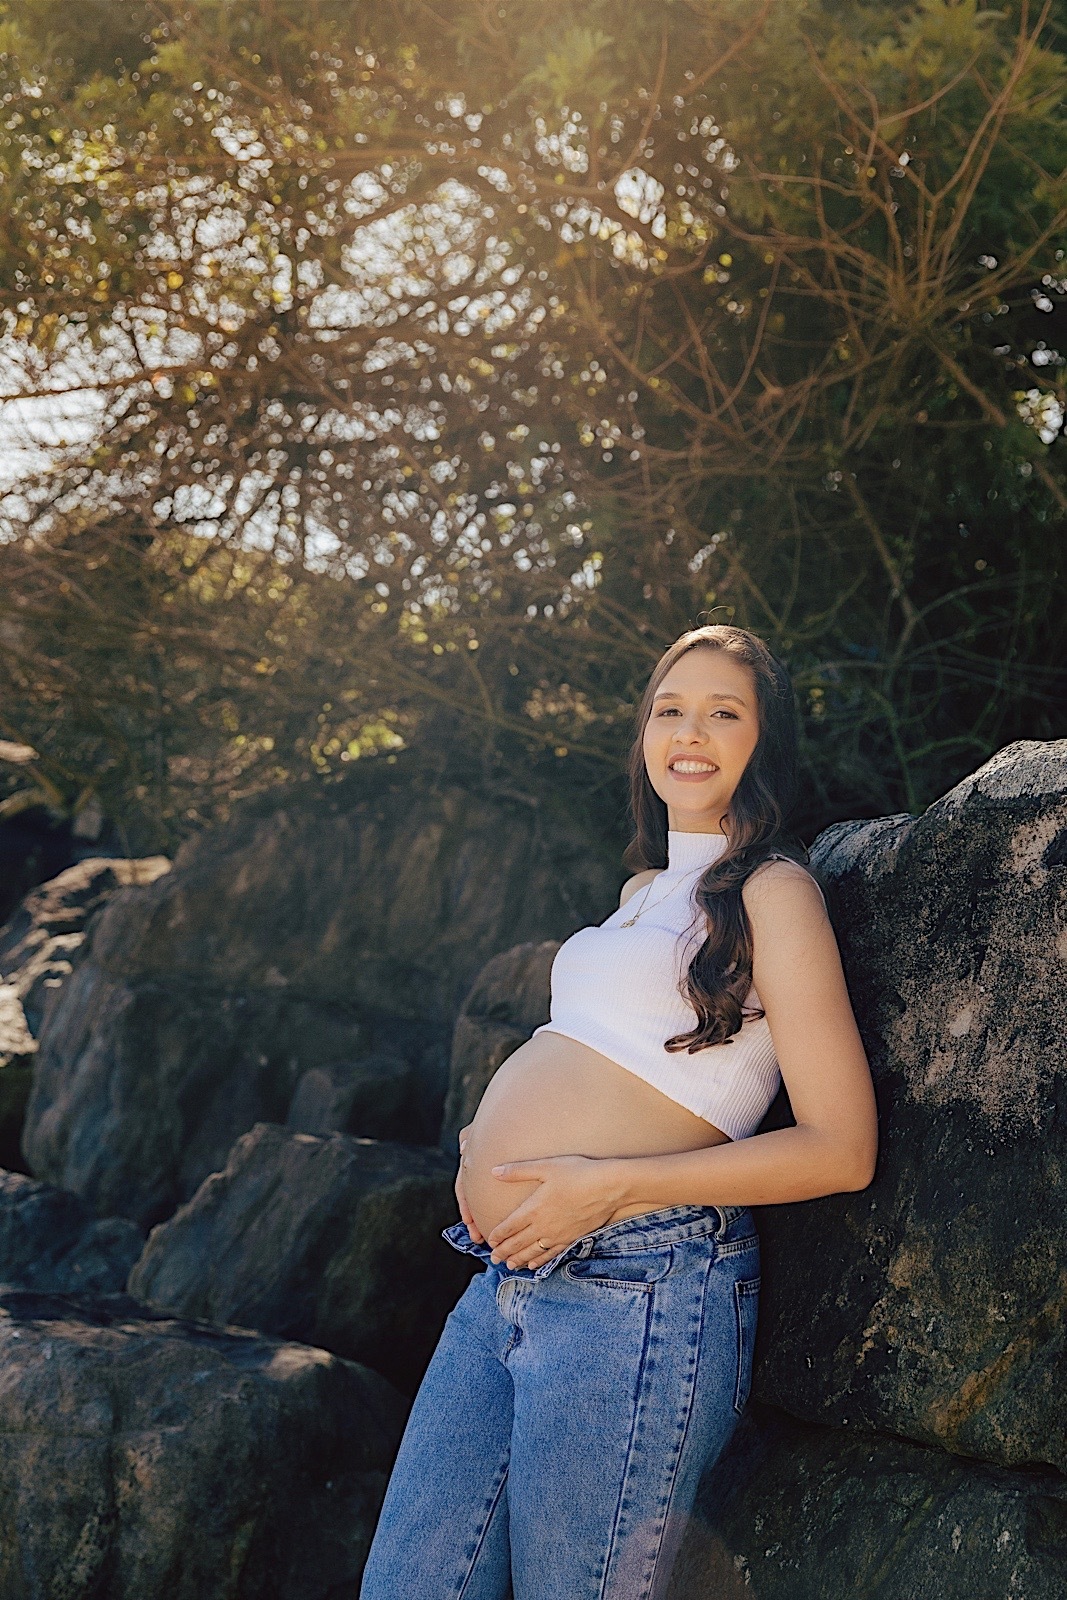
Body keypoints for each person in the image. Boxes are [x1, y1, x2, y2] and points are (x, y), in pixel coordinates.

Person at [359, 624, 878, 1600]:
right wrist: (482, 1135)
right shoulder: (642, 889)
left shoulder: (773, 894)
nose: (689, 730)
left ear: (764, 741)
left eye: (723, 711)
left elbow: (840, 1148)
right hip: (501, 1277)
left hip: (636, 1282)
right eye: (668, 707)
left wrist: (605, 1187)